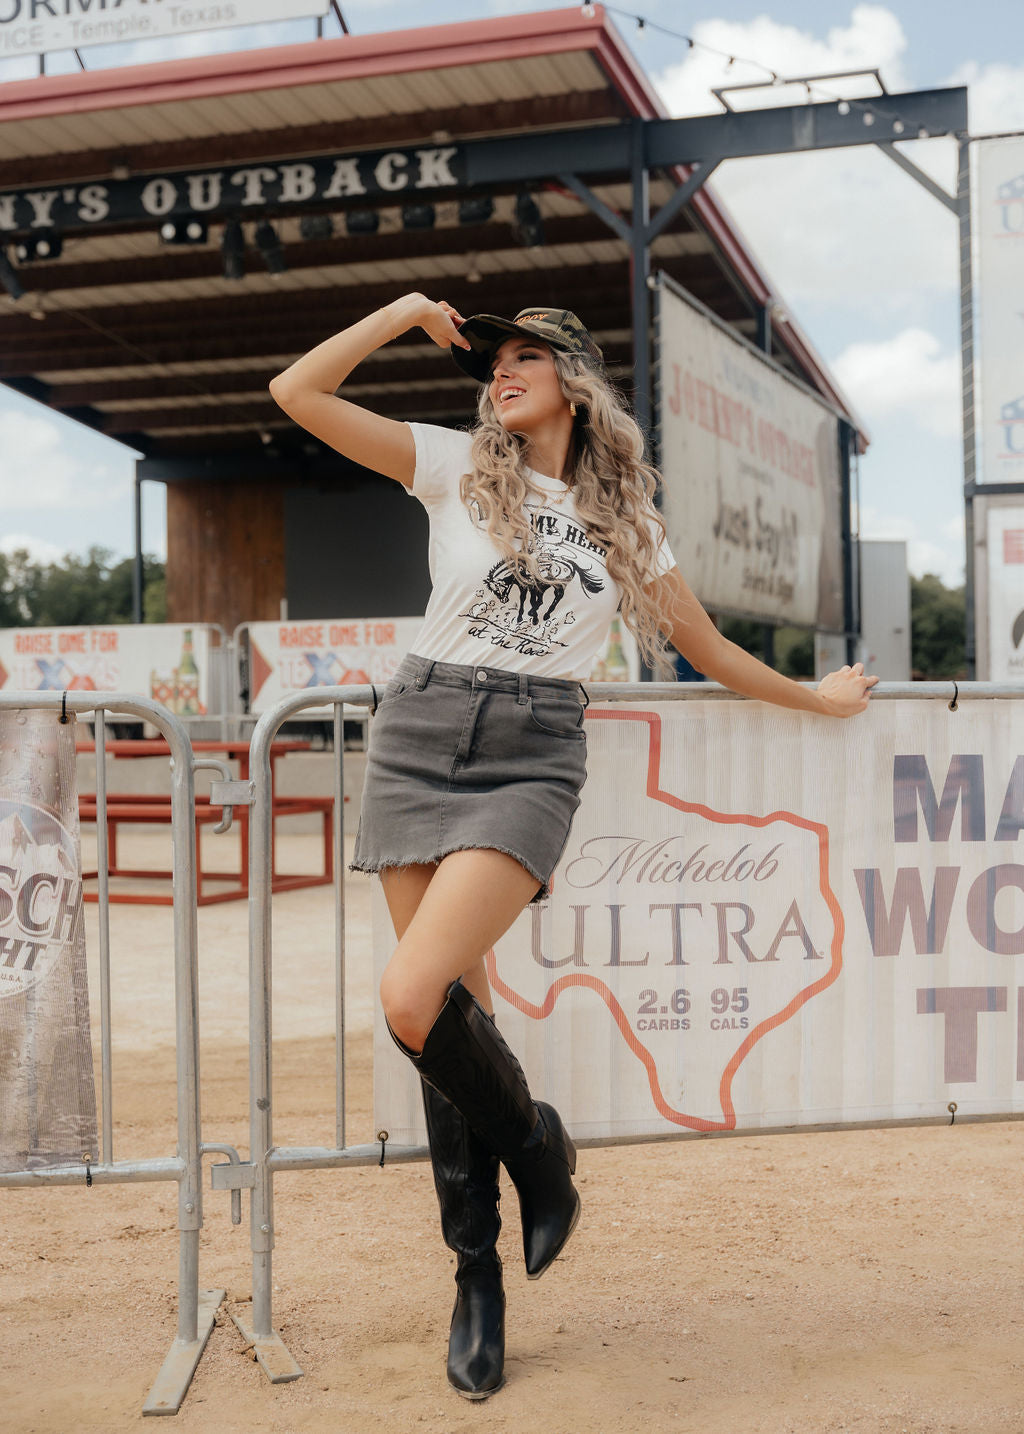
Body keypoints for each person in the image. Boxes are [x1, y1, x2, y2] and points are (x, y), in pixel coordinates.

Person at [268, 294, 877, 1401]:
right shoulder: (454, 464)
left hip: (532, 749)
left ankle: (540, 1150)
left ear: (574, 379)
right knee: (451, 1019)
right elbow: (297, 394)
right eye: (492, 359)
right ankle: (478, 1277)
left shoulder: (626, 523)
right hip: (420, 732)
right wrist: (404, 314)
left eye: (523, 358)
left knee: (413, 996)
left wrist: (818, 700)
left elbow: (704, 646)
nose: (500, 372)